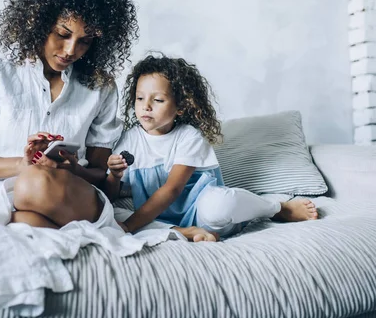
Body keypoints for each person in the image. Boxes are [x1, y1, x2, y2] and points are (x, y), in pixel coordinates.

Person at [0, 0, 139, 230]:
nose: (70, 50)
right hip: (2, 197)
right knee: (27, 211)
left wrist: (73, 169)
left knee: (36, 184)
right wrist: (24, 164)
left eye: (85, 41)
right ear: (39, 22)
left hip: (70, 195)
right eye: (63, 34)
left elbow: (100, 173)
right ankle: (84, 231)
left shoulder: (101, 87)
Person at [104, 54, 318, 242]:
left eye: (158, 99)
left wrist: (130, 227)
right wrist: (114, 175)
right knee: (108, 212)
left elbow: (172, 190)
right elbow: (111, 195)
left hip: (203, 214)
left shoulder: (189, 136)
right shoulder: (130, 139)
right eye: (140, 98)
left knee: (221, 204)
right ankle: (182, 232)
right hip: (156, 218)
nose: (146, 106)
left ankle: (277, 208)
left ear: (180, 107)